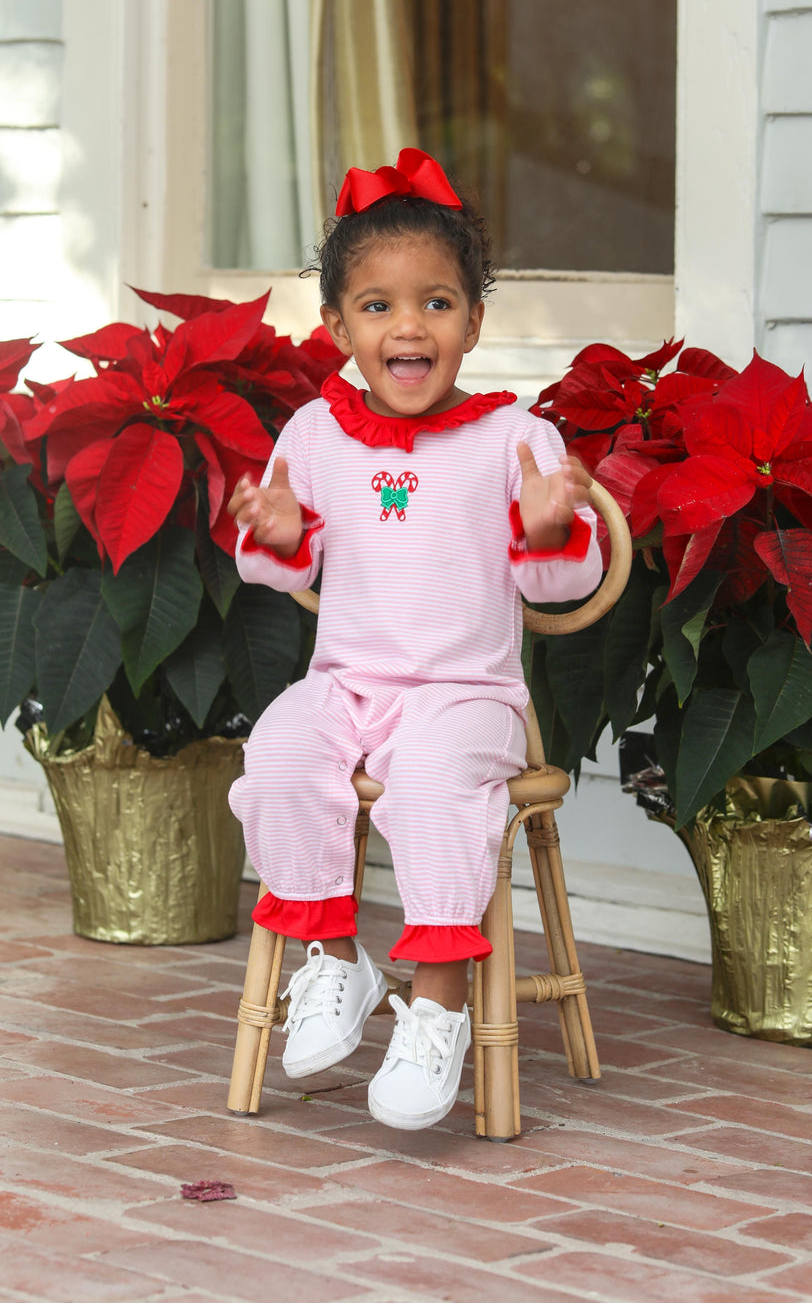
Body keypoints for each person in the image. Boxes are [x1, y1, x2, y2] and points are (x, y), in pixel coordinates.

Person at [227, 147, 602, 1131]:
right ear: (338, 324)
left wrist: (553, 527)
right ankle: (334, 960)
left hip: (467, 695)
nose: (409, 325)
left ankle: (436, 1004)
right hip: (348, 683)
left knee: (438, 781)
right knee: (276, 752)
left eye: (437, 303)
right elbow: (279, 564)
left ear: (474, 321)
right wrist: (272, 535)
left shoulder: (513, 437)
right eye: (379, 306)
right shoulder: (315, 432)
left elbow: (556, 584)